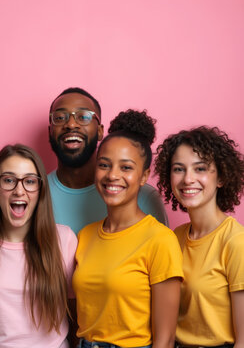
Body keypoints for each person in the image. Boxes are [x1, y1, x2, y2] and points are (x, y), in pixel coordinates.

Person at [73, 110, 183, 348]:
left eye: (126, 168)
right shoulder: (85, 235)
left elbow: (164, 340)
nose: (112, 175)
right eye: (104, 165)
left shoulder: (160, 240)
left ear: (143, 176)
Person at [0, 144, 77, 348]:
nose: (19, 191)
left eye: (29, 181)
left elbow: (77, 316)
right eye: (9, 180)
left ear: (40, 189)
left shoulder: (64, 240)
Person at [154, 126, 244, 347]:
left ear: (221, 177)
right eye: (178, 169)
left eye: (200, 168)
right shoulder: (175, 237)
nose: (188, 179)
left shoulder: (235, 241)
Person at [47, 87, 168, 233]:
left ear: (99, 131)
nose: (71, 124)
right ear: (50, 131)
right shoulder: (34, 193)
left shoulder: (143, 197)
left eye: (84, 116)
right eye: (60, 117)